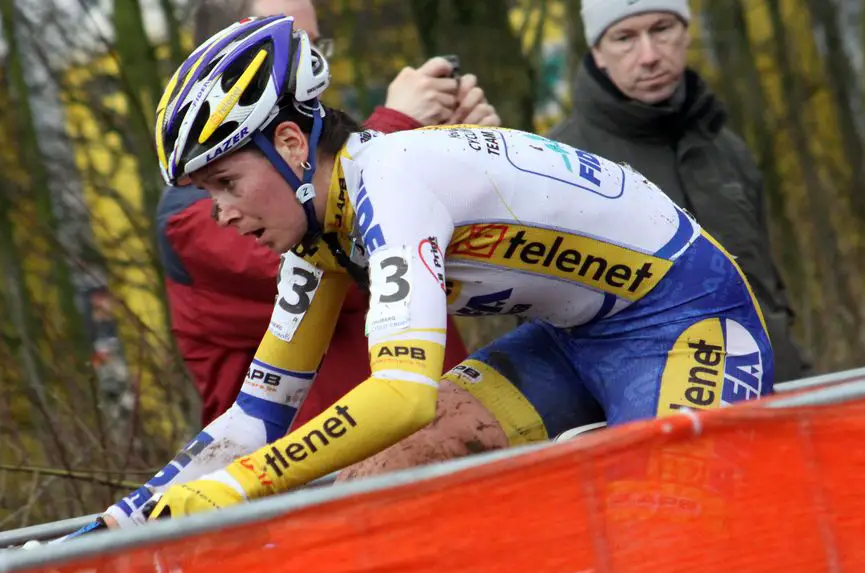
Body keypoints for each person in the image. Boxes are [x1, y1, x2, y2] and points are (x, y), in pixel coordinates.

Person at [100, 15, 773, 526]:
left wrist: (238, 485)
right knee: (371, 487)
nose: (219, 212)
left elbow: (402, 394)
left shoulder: (392, 181)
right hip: (570, 338)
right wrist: (123, 518)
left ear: (289, 143)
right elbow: (255, 418)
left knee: (664, 543)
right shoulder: (319, 235)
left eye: (225, 182)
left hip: (685, 318)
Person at [157, 0, 493, 429]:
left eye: (315, 48)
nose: (311, 69)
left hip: (442, 432)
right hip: (320, 471)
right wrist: (396, 127)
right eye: (292, 45)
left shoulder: (327, 166)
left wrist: (464, 157)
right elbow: (351, 258)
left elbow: (448, 264)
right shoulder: (192, 216)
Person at [546, 0, 809, 382]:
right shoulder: (561, 165)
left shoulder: (725, 146)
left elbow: (768, 287)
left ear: (686, 34)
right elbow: (547, 327)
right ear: (597, 54)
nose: (650, 56)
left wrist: (794, 366)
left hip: (776, 392)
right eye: (625, 38)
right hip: (653, 414)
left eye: (662, 29)